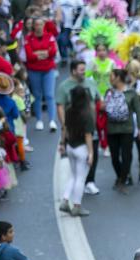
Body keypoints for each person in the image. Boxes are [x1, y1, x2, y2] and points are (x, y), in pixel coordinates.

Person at [56, 59, 101, 196]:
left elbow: (98, 100)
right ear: (73, 70)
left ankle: (90, 181)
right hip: (74, 128)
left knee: (93, 152)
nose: (83, 72)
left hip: (90, 124)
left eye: (84, 69)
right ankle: (77, 189)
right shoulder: (64, 87)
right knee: (80, 157)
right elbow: (60, 107)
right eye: (81, 69)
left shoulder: (91, 83)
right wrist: (65, 127)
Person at [104, 68, 140, 191]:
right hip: (111, 129)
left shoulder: (131, 93)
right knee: (114, 156)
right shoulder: (109, 92)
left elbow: (138, 111)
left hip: (127, 129)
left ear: (118, 78)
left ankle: (122, 180)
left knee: (127, 155)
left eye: (112, 76)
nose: (110, 79)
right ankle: (121, 176)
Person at [58, 85, 95, 216]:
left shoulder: (68, 111)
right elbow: (88, 135)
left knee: (73, 176)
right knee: (80, 178)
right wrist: (91, 153)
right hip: (82, 148)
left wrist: (62, 143)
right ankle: (77, 206)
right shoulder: (87, 114)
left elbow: (65, 128)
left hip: (70, 146)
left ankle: (65, 200)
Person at [24, 17, 57, 132]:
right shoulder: (28, 38)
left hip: (48, 69)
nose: (39, 27)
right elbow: (29, 56)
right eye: (36, 24)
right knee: (37, 95)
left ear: (44, 25)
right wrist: (44, 53)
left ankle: (52, 120)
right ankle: (39, 120)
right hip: (34, 70)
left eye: (41, 24)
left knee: (49, 95)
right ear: (33, 26)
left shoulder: (50, 36)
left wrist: (38, 53)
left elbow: (52, 52)